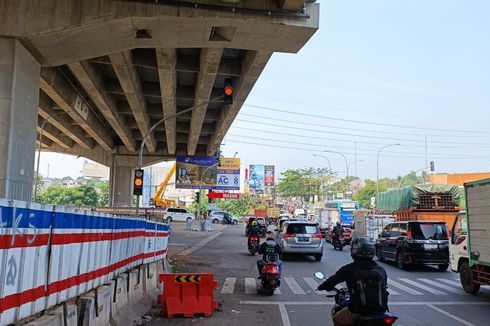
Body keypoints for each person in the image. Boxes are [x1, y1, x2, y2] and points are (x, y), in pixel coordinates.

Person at [317, 237, 389, 326]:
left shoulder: (350, 269)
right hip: (380, 311)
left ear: (354, 251)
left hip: (358, 310)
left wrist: (321, 287)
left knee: (337, 319)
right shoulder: (380, 269)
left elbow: (333, 280)